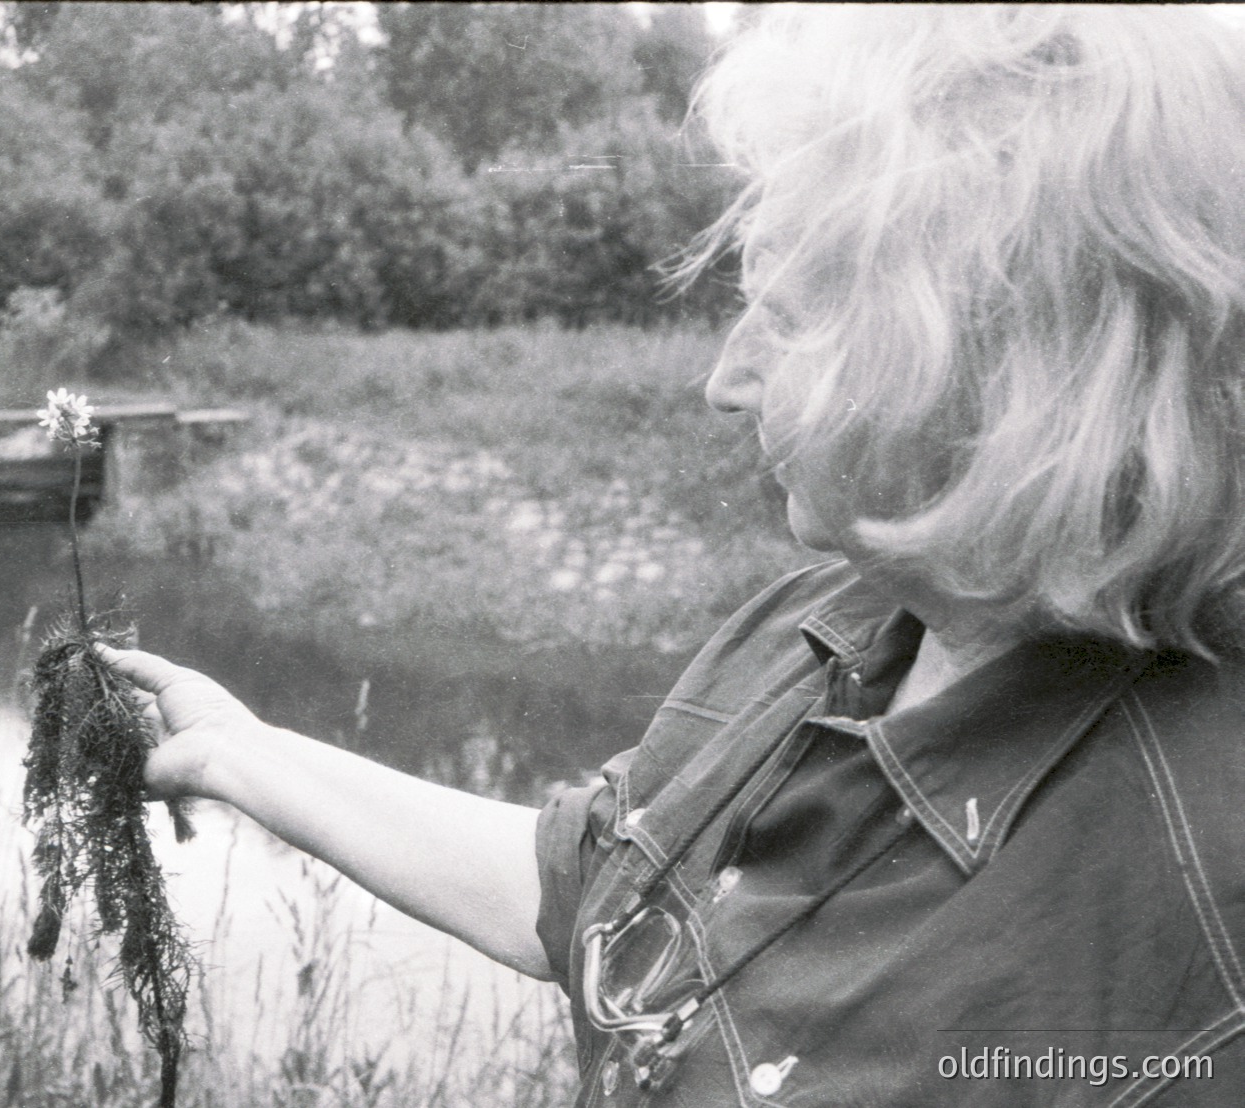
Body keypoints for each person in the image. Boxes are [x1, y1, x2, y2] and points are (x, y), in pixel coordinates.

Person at [99, 6, 1245, 1104]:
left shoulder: (1202, 910)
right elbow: (584, 892)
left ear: (999, 370)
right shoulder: (814, 631)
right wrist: (242, 756)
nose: (723, 382)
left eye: (788, 318)